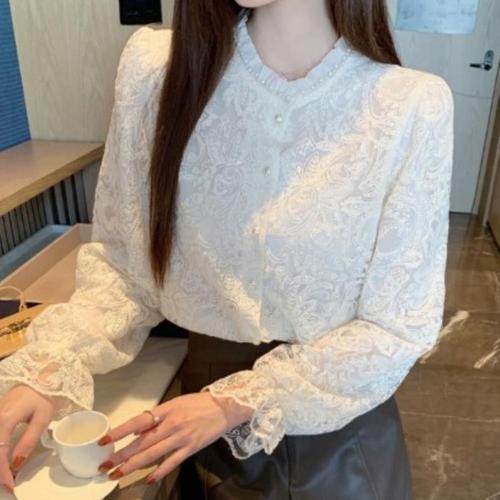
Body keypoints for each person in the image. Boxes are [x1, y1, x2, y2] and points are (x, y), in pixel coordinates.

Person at [0, 0, 454, 498]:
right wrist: (50, 368)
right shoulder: (158, 72)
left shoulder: (409, 106)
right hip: (192, 423)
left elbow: (397, 325)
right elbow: (125, 268)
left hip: (336, 446)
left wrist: (240, 401)